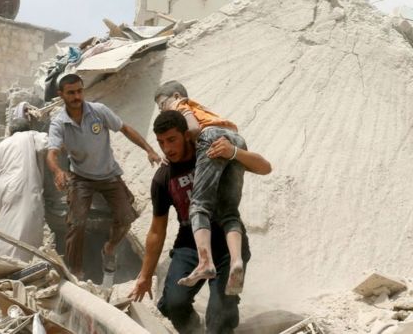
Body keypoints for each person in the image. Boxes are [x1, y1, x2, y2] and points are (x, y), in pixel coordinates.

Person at [129, 111, 271, 333]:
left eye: (172, 140)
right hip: (189, 242)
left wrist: (234, 152)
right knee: (174, 303)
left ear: (187, 135)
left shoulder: (212, 151)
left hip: (226, 238)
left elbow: (264, 167)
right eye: (161, 142)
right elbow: (157, 230)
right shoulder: (163, 178)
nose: (167, 148)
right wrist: (145, 275)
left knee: (220, 315)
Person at [47, 74, 162, 278]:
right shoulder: (59, 123)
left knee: (126, 217)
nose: (76, 96)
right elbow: (52, 153)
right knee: (76, 222)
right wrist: (58, 171)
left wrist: (149, 150)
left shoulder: (98, 111)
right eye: (71, 93)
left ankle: (109, 249)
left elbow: (125, 128)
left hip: (108, 174)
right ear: (61, 95)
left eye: (79, 91)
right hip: (81, 177)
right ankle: (75, 270)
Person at [155, 81, 250, 294]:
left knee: (198, 205)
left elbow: (196, 129)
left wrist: (189, 145)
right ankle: (236, 261)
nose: (162, 110)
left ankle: (205, 262)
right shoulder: (202, 108)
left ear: (177, 95)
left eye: (162, 104)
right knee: (228, 211)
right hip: (236, 141)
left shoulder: (180, 104)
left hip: (212, 137)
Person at [0, 118, 47, 263]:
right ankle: (19, 262)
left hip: (3, 188)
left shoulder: (2, 145)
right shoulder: (31, 136)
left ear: (11, 131)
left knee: (4, 223)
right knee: (25, 224)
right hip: (23, 186)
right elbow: (47, 144)